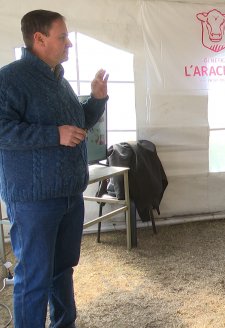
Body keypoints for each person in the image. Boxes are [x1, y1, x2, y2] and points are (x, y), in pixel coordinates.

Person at [0, 10, 109, 327]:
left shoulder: (58, 81)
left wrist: (97, 100)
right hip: (34, 201)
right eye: (62, 36)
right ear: (39, 39)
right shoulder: (10, 79)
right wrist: (53, 134)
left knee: (62, 270)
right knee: (33, 278)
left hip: (68, 195)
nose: (69, 43)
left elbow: (76, 128)